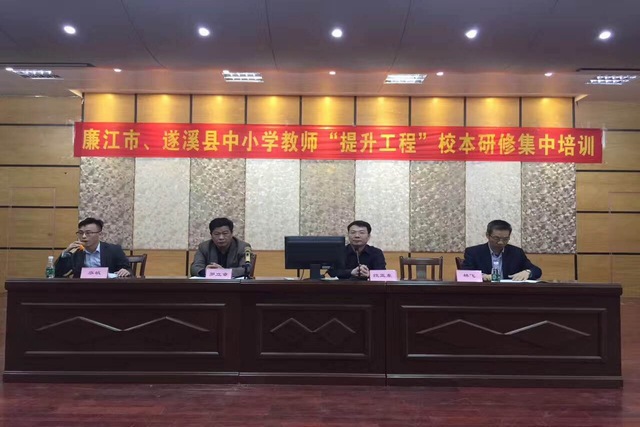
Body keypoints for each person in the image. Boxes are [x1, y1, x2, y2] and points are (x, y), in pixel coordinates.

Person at [462, 219, 542, 282]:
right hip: (483, 292)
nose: (500, 242)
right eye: (496, 238)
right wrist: (482, 276)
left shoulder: (516, 252)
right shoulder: (473, 252)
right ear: (487, 235)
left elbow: (537, 270)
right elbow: (465, 273)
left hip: (510, 292)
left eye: (505, 239)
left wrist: (528, 272)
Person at [55, 217, 131, 278]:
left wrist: (126, 271)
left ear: (100, 234)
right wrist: (65, 252)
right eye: (81, 233)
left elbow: (128, 269)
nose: (83, 236)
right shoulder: (76, 252)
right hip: (82, 289)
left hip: (107, 288)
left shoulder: (114, 250)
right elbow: (58, 273)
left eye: (88, 233)